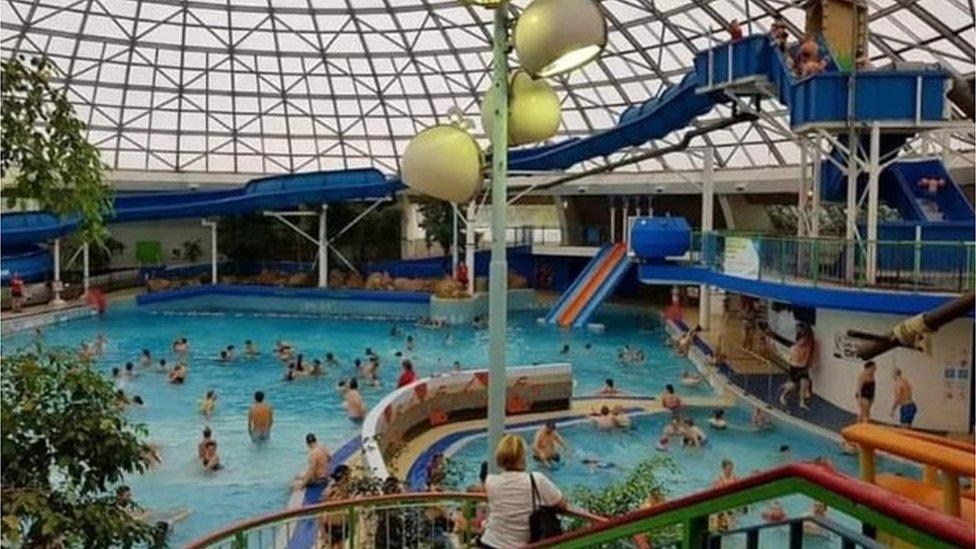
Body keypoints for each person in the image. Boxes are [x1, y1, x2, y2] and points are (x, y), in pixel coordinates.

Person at [480, 434, 567, 549]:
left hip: (489, 542)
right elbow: (562, 504)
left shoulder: (491, 481)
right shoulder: (536, 480)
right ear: (522, 457)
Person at [779, 325, 815, 409]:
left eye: (805, 340)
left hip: (803, 369)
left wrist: (807, 366)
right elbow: (793, 359)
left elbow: (806, 358)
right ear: (798, 340)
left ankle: (801, 403)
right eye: (802, 340)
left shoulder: (806, 348)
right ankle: (783, 395)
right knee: (793, 386)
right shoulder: (794, 348)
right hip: (794, 368)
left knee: (804, 384)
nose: (804, 342)